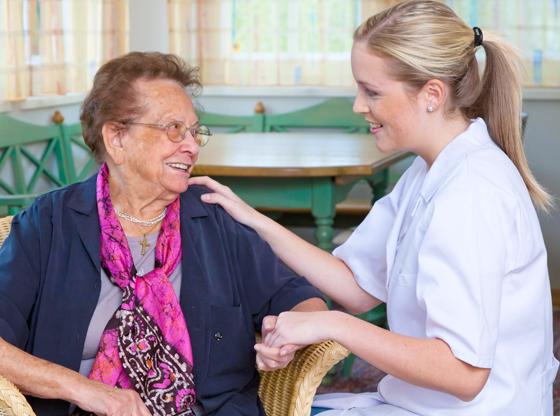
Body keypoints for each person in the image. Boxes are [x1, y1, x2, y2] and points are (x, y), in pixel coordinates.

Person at [189, 1, 558, 415]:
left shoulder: (471, 194)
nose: (358, 106)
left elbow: (463, 372)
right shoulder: (429, 171)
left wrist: (331, 325)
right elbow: (357, 286)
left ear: (431, 95)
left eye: (373, 92)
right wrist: (251, 218)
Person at [0, 52, 326, 416]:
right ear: (117, 138)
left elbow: (299, 298)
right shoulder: (49, 224)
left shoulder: (214, 218)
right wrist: (84, 390)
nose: (191, 145)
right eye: (173, 129)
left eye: (193, 131)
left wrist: (288, 335)